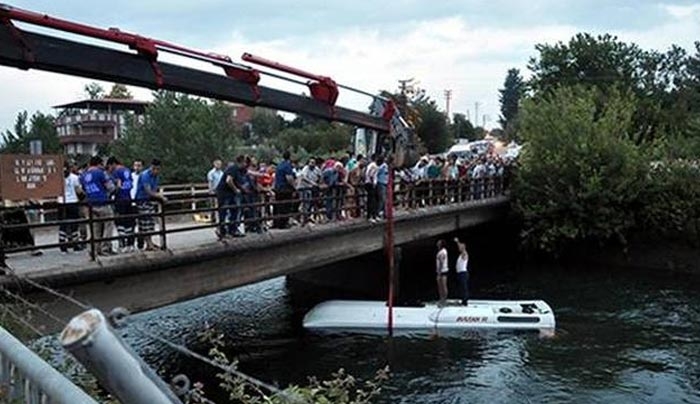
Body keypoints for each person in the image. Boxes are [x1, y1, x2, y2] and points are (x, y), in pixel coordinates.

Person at [80, 156, 116, 255]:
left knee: (95, 228)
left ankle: (94, 249)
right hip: (102, 202)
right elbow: (111, 188)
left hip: (90, 204)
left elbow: (83, 189)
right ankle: (105, 248)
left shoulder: (84, 175)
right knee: (109, 224)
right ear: (99, 164)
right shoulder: (101, 172)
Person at [134, 159, 167, 251]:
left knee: (151, 222)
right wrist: (161, 196)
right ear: (152, 168)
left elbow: (154, 189)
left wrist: (156, 196)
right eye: (155, 169)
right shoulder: (145, 175)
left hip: (149, 201)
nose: (157, 171)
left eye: (158, 169)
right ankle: (148, 243)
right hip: (142, 200)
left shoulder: (156, 176)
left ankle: (149, 242)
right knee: (146, 222)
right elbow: (148, 190)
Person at [107, 157, 135, 253]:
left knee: (120, 223)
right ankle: (130, 244)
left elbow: (116, 186)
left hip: (119, 199)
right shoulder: (127, 170)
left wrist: (112, 193)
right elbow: (131, 184)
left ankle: (122, 244)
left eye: (109, 166)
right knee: (129, 222)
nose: (109, 169)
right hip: (128, 197)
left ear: (112, 164)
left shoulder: (116, 172)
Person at [58, 161, 83, 253]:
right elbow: (79, 191)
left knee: (62, 225)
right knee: (74, 224)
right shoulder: (75, 178)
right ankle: (75, 244)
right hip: (72, 201)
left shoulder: (58, 178)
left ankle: (62, 245)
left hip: (61, 202)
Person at [273, 151, 296, 229]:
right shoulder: (287, 166)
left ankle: (276, 223)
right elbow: (289, 178)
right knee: (286, 206)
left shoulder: (279, 165)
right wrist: (294, 187)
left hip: (278, 188)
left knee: (278, 206)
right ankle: (283, 224)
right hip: (285, 189)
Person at [130, 159, 144, 249]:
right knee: (131, 224)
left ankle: (140, 242)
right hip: (131, 201)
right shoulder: (130, 176)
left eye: (139, 165)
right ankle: (130, 242)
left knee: (141, 224)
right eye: (135, 165)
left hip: (140, 201)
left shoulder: (144, 176)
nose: (137, 167)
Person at [207, 159, 224, 223]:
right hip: (214, 190)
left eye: (220, 164)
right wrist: (210, 190)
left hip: (220, 190)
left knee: (218, 205)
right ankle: (213, 218)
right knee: (213, 205)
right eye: (217, 164)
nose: (219, 165)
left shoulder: (222, 173)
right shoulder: (211, 173)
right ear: (214, 164)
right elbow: (210, 182)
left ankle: (218, 219)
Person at [454, 237, 469, 305]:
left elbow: (462, 248)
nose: (459, 248)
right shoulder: (461, 255)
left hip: (463, 273)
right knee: (461, 287)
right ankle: (463, 299)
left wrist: (457, 241)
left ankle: (465, 301)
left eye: (460, 247)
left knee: (464, 287)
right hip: (460, 273)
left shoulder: (464, 253)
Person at [435, 239, 449, 306]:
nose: (437, 244)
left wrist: (439, 273)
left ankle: (444, 300)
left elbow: (441, 262)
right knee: (440, 286)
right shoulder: (441, 251)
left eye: (438, 243)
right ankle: (441, 299)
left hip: (442, 271)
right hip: (441, 270)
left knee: (443, 286)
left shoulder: (442, 252)